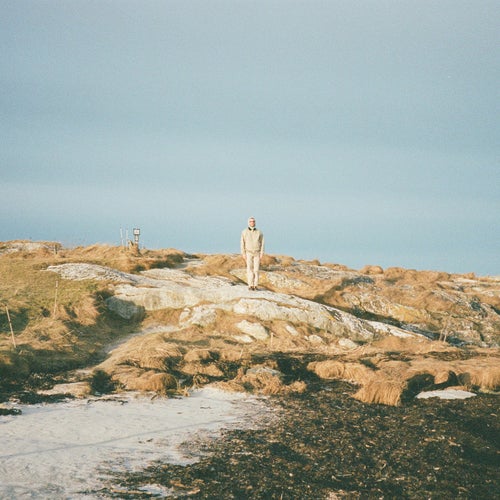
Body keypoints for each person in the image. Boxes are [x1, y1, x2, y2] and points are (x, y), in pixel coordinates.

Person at [240, 216, 265, 290]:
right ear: (248, 222)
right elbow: (242, 243)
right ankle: (250, 285)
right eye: (251, 221)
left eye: (253, 221)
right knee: (249, 269)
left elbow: (262, 243)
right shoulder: (244, 232)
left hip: (257, 253)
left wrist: (262, 253)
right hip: (248, 252)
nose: (252, 223)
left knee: (256, 270)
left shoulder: (259, 232)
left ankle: (256, 285)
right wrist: (243, 253)